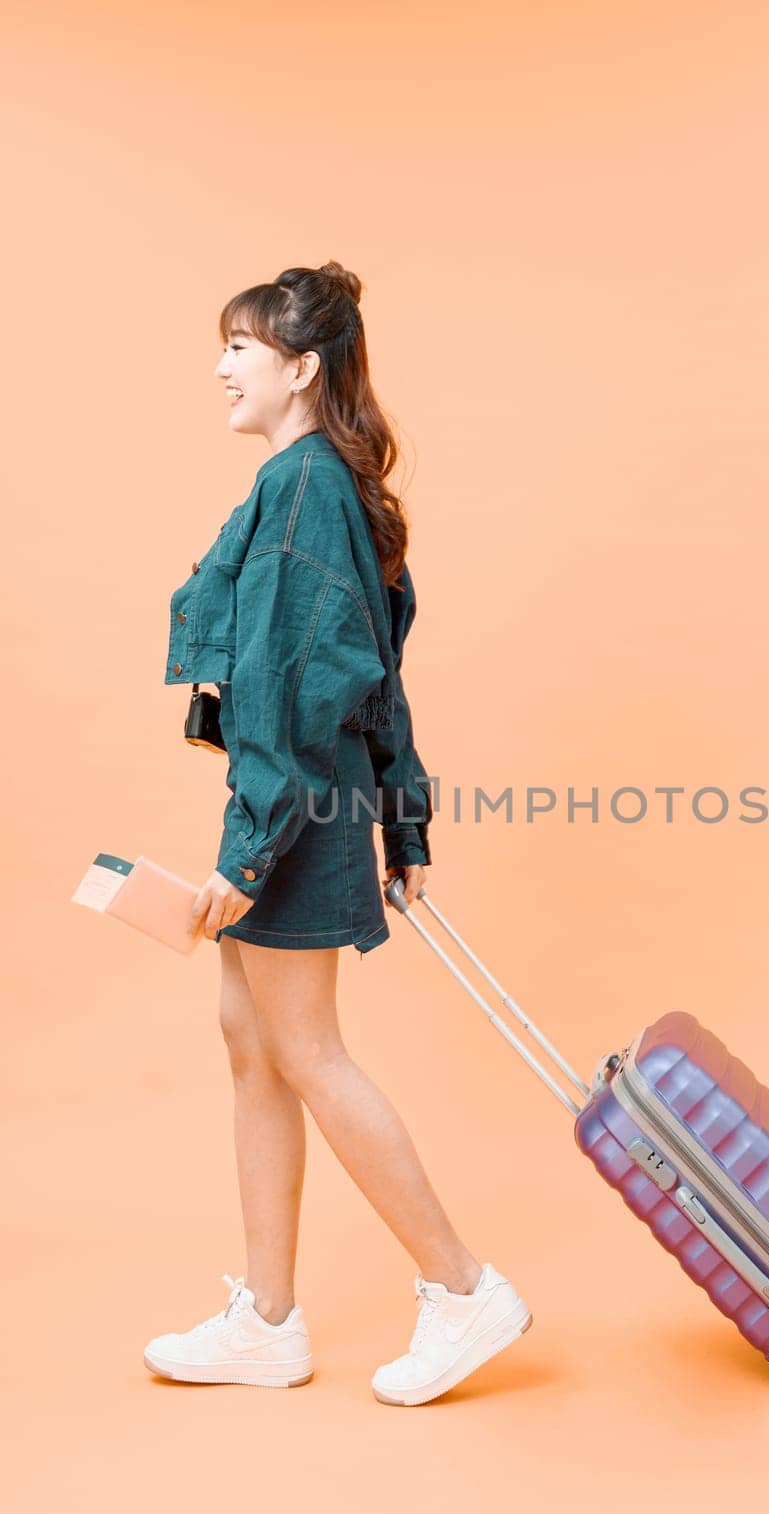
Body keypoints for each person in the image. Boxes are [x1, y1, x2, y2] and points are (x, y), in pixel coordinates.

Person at [144, 261, 532, 1405]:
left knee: (303, 1049)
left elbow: (306, 682)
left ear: (301, 368)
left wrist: (249, 851)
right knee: (252, 1042)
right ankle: (268, 1319)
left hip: (293, 802)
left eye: (241, 347)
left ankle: (463, 1289)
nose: (221, 366)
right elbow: (374, 679)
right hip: (300, 797)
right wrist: (403, 816)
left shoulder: (307, 487)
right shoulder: (313, 482)